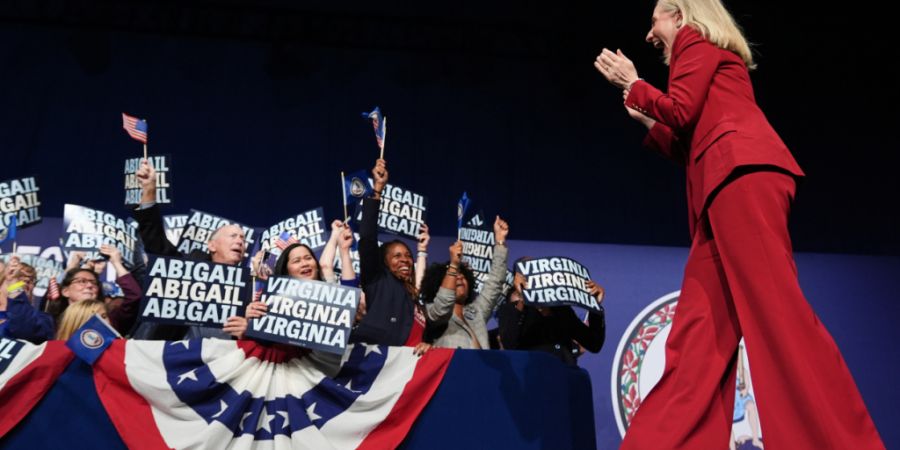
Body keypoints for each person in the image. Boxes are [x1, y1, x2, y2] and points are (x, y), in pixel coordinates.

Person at [594, 1, 884, 448]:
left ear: (680, 15)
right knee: (697, 339)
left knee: (778, 314)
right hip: (722, 188)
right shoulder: (706, 56)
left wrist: (634, 84)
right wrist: (651, 116)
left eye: (654, 20)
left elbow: (684, 110)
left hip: (742, 180)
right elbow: (696, 137)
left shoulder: (696, 40)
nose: (650, 35)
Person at [133, 158, 247, 339]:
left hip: (224, 361)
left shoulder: (249, 286)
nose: (240, 241)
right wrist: (149, 191)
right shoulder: (187, 265)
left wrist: (248, 330)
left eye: (243, 238)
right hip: (172, 355)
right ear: (211, 245)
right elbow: (156, 242)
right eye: (233, 236)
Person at [351, 159, 428, 352]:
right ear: (384, 262)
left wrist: (427, 344)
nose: (405, 260)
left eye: (408, 256)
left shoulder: (415, 298)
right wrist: (377, 190)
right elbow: (367, 238)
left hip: (403, 371)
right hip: (371, 365)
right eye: (397, 256)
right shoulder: (377, 279)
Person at [418, 216, 509, 349]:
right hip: (452, 369)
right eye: (454, 276)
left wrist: (500, 242)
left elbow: (495, 282)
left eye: (463, 276)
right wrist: (454, 265)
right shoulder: (431, 310)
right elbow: (442, 307)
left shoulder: (477, 311)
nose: (459, 278)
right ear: (439, 286)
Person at [497, 258, 606, 365]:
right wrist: (523, 297)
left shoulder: (561, 310)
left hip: (563, 376)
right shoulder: (513, 309)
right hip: (533, 376)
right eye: (528, 270)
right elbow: (509, 343)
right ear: (517, 278)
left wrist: (594, 306)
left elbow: (594, 344)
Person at [0, 262, 54, 343]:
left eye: (29, 280)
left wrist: (14, 288)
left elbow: (24, 331)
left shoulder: (42, 319)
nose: (22, 283)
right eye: (18, 277)